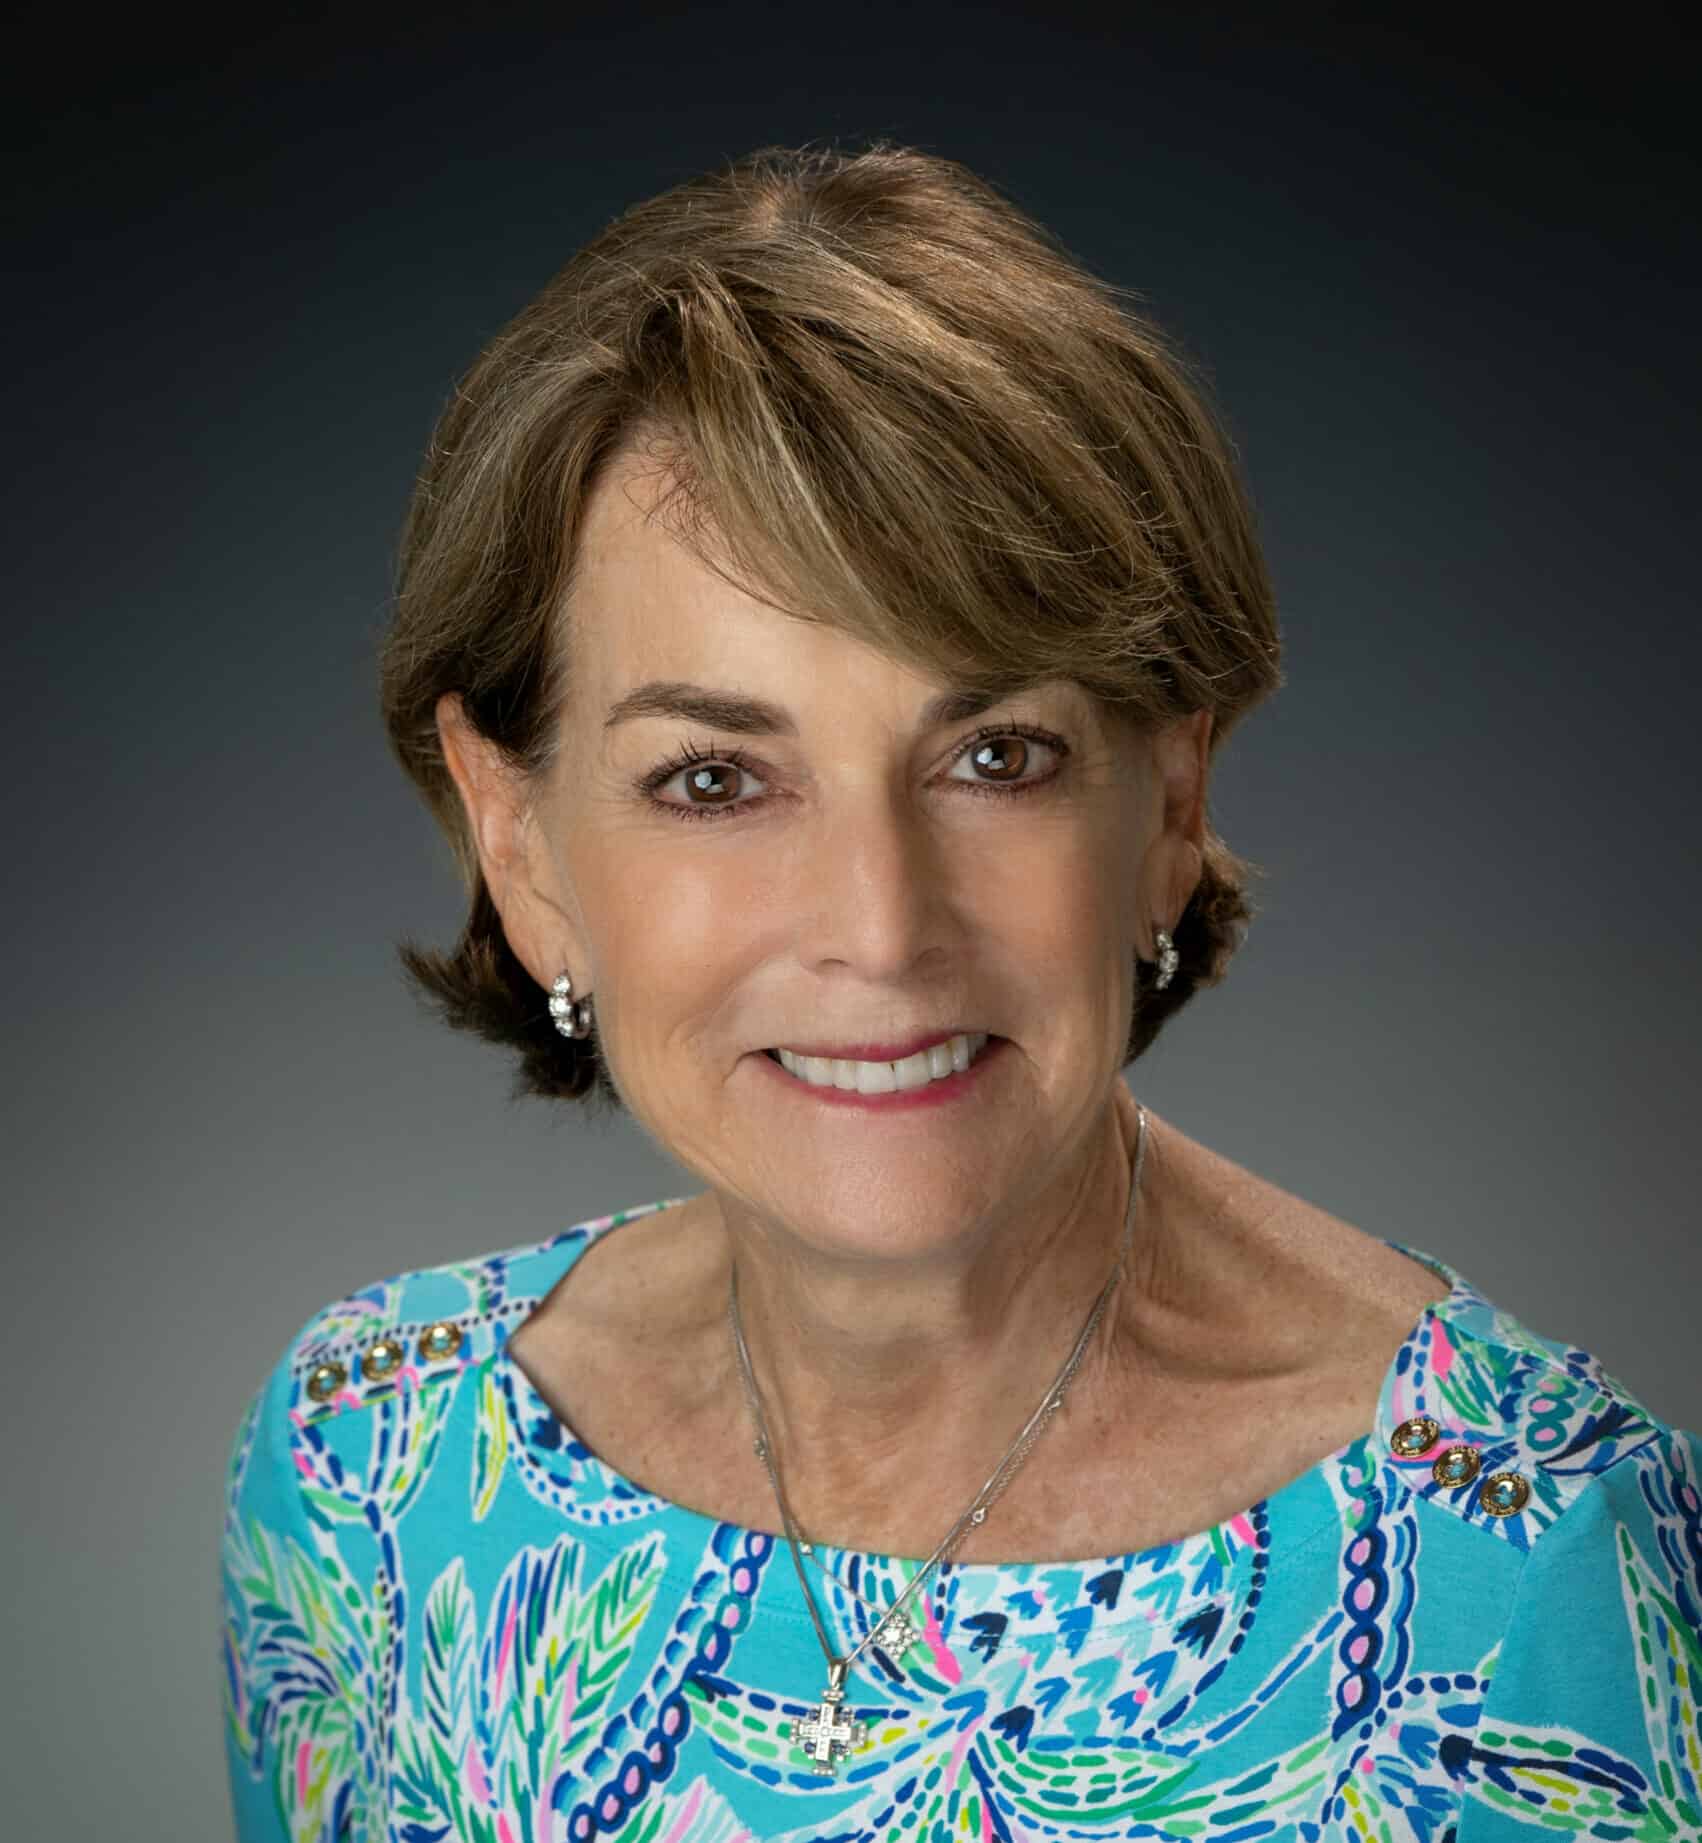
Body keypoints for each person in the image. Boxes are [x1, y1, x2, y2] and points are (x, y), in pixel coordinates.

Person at [219, 141, 1701, 1843]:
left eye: (994, 755)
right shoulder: (367, 1466)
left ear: (1168, 805)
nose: (880, 926)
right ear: (521, 840)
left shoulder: (1533, 1569)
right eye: (715, 777)